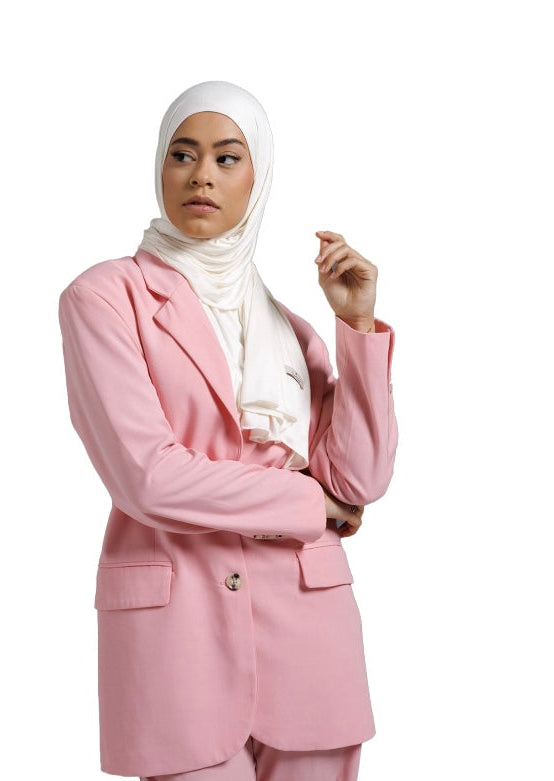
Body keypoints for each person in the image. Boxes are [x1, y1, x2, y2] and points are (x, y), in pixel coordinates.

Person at [58, 80, 398, 781]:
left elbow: (359, 480)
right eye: (182, 154)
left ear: (258, 177)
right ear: (160, 166)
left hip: (311, 636)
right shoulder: (105, 298)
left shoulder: (289, 331)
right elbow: (149, 477)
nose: (202, 175)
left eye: (227, 158)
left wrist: (357, 325)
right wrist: (306, 502)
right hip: (178, 643)